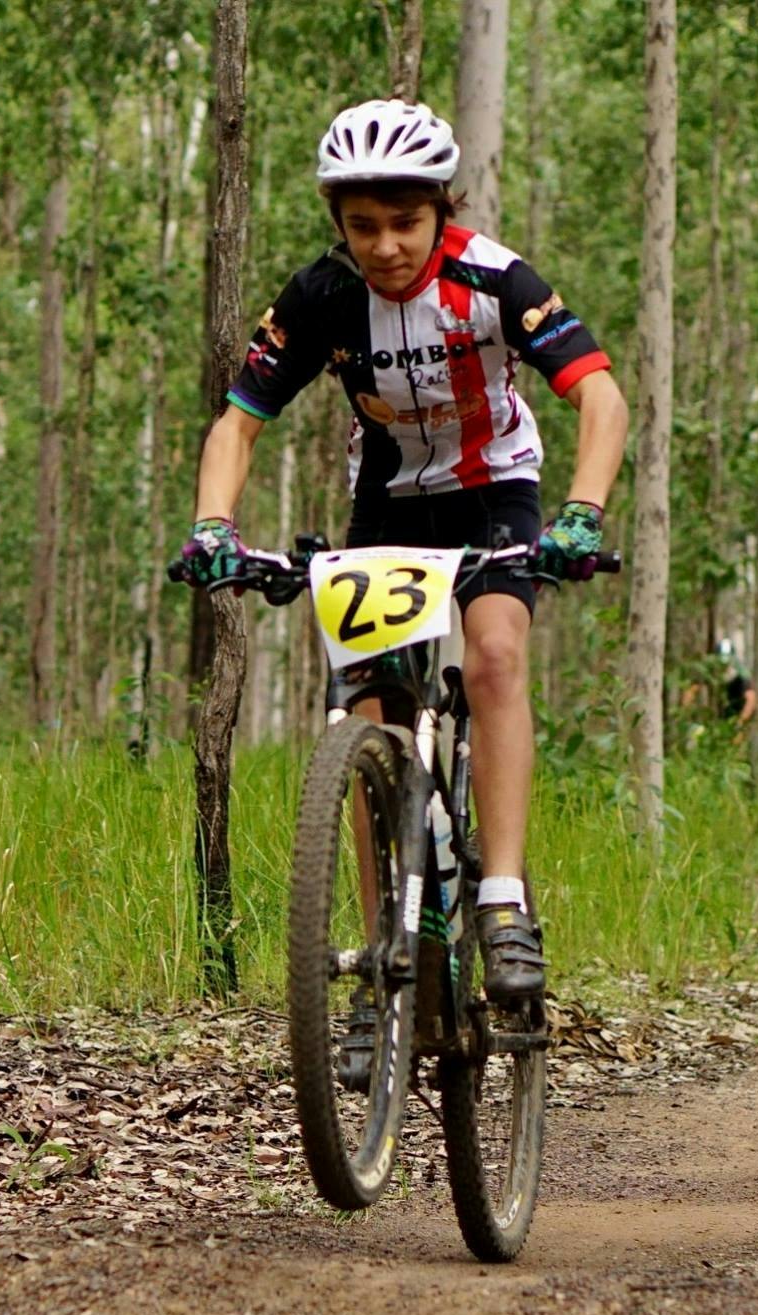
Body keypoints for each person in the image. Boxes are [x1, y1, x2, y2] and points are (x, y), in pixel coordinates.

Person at [178, 99, 630, 1003]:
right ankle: (388, 944)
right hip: (388, 502)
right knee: (368, 716)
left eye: (405, 222)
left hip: (494, 489)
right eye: (364, 226)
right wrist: (213, 526)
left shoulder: (494, 278)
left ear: (440, 210)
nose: (385, 245)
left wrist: (582, 512)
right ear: (339, 223)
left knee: (494, 654)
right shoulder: (321, 295)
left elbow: (602, 397)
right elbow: (238, 423)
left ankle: (502, 899)